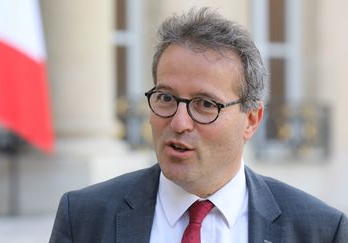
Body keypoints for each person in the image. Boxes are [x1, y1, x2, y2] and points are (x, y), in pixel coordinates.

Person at [49, 7, 348, 243]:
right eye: (166, 97)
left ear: (251, 120)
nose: (179, 123)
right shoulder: (85, 217)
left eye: (205, 105)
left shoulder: (319, 230)